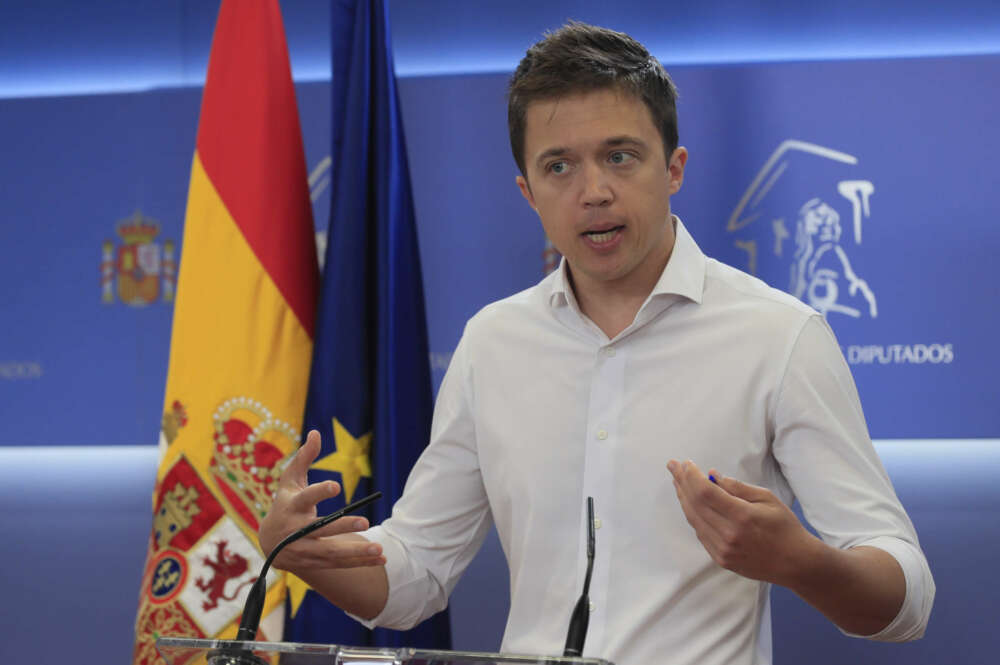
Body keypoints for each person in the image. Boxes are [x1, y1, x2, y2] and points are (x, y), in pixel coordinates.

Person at [260, 22, 934, 665]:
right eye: (560, 166)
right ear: (528, 192)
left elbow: (906, 596)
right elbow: (414, 576)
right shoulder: (493, 342)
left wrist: (802, 561)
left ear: (673, 168)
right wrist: (312, 555)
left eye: (620, 155)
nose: (595, 191)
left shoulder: (778, 334)